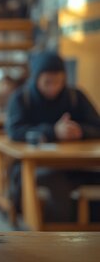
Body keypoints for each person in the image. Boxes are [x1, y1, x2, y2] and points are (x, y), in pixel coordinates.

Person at [6, 51, 100, 222]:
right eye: (47, 82)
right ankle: (58, 232)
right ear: (36, 79)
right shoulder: (21, 98)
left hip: (75, 163)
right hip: (37, 164)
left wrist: (80, 131)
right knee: (56, 184)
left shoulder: (75, 96)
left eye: (58, 81)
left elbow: (97, 126)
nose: (53, 87)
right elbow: (15, 131)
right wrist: (53, 132)